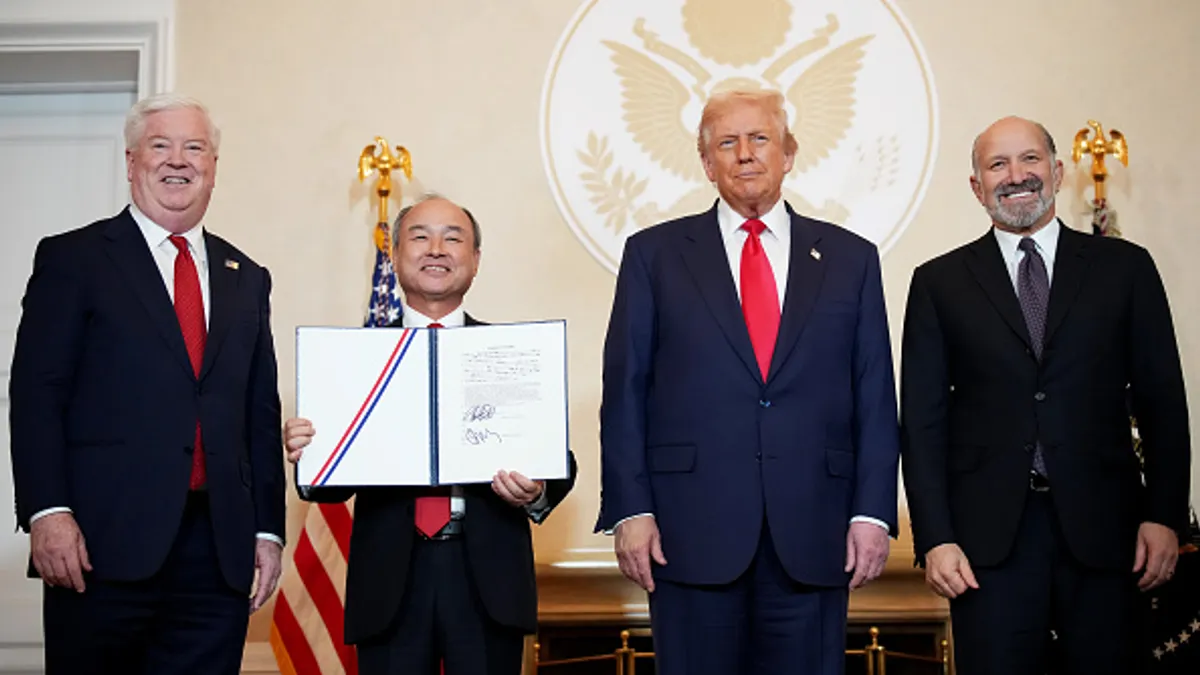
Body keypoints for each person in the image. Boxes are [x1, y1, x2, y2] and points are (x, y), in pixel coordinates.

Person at [595, 89, 900, 675]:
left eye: (760, 139)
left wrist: (871, 513)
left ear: (788, 153)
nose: (745, 154)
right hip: (687, 537)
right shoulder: (653, 255)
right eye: (726, 143)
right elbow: (626, 390)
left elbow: (874, 392)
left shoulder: (850, 258)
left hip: (815, 534)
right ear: (707, 164)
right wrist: (631, 508)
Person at [900, 115, 1191, 674]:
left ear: (1056, 171)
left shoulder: (1125, 268)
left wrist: (1165, 515)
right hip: (988, 546)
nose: (1016, 176)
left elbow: (1162, 401)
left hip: (1111, 536)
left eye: (1030, 159)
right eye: (997, 164)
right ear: (976, 185)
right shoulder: (939, 283)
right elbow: (922, 422)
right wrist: (935, 537)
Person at [8, 93, 286, 674]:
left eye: (195, 148)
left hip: (217, 555)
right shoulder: (74, 259)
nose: (177, 160)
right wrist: (47, 512)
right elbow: (38, 395)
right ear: (132, 161)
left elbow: (258, 413)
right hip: (98, 548)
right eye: (161, 145)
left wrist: (267, 530)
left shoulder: (247, 277)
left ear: (213, 168)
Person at [283, 194, 578, 675]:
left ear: (476, 261)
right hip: (390, 584)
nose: (436, 248)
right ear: (395, 256)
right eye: (420, 236)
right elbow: (328, 488)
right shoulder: (354, 361)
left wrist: (538, 490)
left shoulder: (511, 354)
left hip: (488, 584)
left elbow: (557, 459)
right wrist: (309, 453)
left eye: (453, 237)